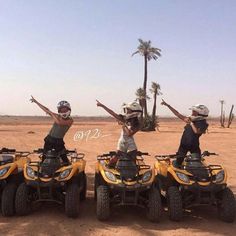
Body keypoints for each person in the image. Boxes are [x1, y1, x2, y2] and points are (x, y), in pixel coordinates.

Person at [161, 99, 209, 166]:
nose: (192, 113)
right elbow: (178, 114)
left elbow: (197, 132)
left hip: (194, 146)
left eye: (194, 111)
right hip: (184, 145)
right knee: (178, 163)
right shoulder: (190, 119)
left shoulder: (203, 123)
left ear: (199, 113)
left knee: (197, 163)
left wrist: (191, 123)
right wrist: (168, 105)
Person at [96, 100, 142, 167]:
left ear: (133, 112)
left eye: (128, 110)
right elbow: (113, 113)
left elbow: (129, 133)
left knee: (132, 160)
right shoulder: (124, 119)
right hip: (122, 142)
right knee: (115, 158)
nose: (126, 111)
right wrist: (102, 105)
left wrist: (123, 125)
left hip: (130, 143)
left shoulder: (137, 124)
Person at [30, 96, 73, 164]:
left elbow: (59, 123)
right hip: (49, 139)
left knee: (64, 158)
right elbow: (46, 109)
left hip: (59, 141)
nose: (63, 112)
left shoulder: (70, 120)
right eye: (61, 110)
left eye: (65, 110)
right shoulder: (57, 116)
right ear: (59, 111)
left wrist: (51, 114)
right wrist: (36, 102)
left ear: (69, 109)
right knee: (45, 157)